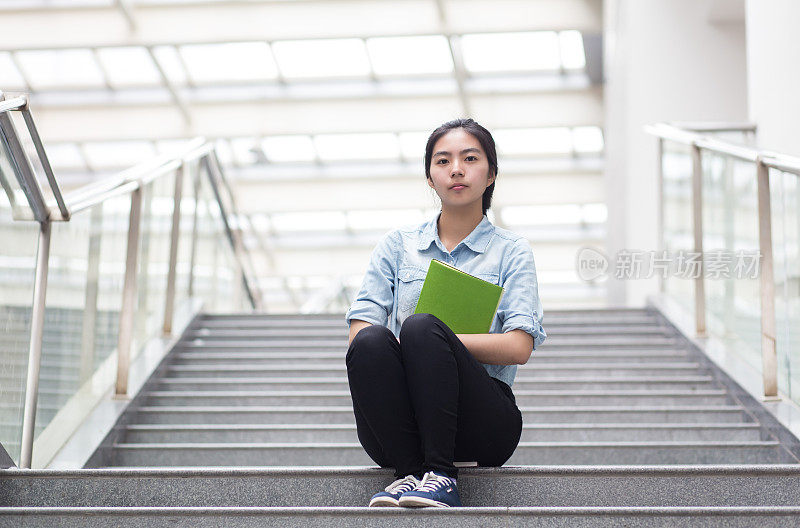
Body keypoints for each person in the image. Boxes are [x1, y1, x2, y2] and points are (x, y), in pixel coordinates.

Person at [344, 118, 546, 508]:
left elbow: (520, 346)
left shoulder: (512, 250)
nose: (456, 169)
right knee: (370, 340)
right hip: (402, 429)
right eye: (443, 161)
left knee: (422, 329)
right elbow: (359, 332)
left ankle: (441, 476)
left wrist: (436, 343)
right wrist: (415, 348)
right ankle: (409, 475)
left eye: (470, 158)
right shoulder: (397, 245)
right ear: (430, 178)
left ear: (490, 176)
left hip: (482, 422)